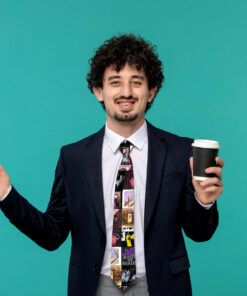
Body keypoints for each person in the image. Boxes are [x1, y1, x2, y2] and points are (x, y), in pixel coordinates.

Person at [0, 34, 224, 296]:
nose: (126, 92)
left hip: (163, 286)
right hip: (96, 287)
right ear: (98, 91)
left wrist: (204, 202)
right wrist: (6, 194)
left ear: (151, 91)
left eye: (136, 82)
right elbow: (52, 234)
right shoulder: (73, 158)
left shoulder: (181, 152)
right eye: (115, 82)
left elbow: (200, 233)